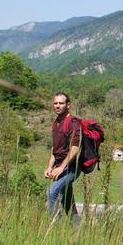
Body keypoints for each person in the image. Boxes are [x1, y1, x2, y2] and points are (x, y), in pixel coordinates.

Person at [45, 92, 81, 224]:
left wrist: (61, 167)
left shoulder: (73, 123)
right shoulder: (56, 123)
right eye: (55, 103)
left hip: (71, 169)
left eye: (61, 103)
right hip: (60, 168)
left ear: (68, 105)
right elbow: (55, 149)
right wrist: (50, 167)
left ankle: (53, 228)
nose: (58, 106)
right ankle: (78, 231)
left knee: (52, 192)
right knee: (68, 203)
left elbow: (75, 149)